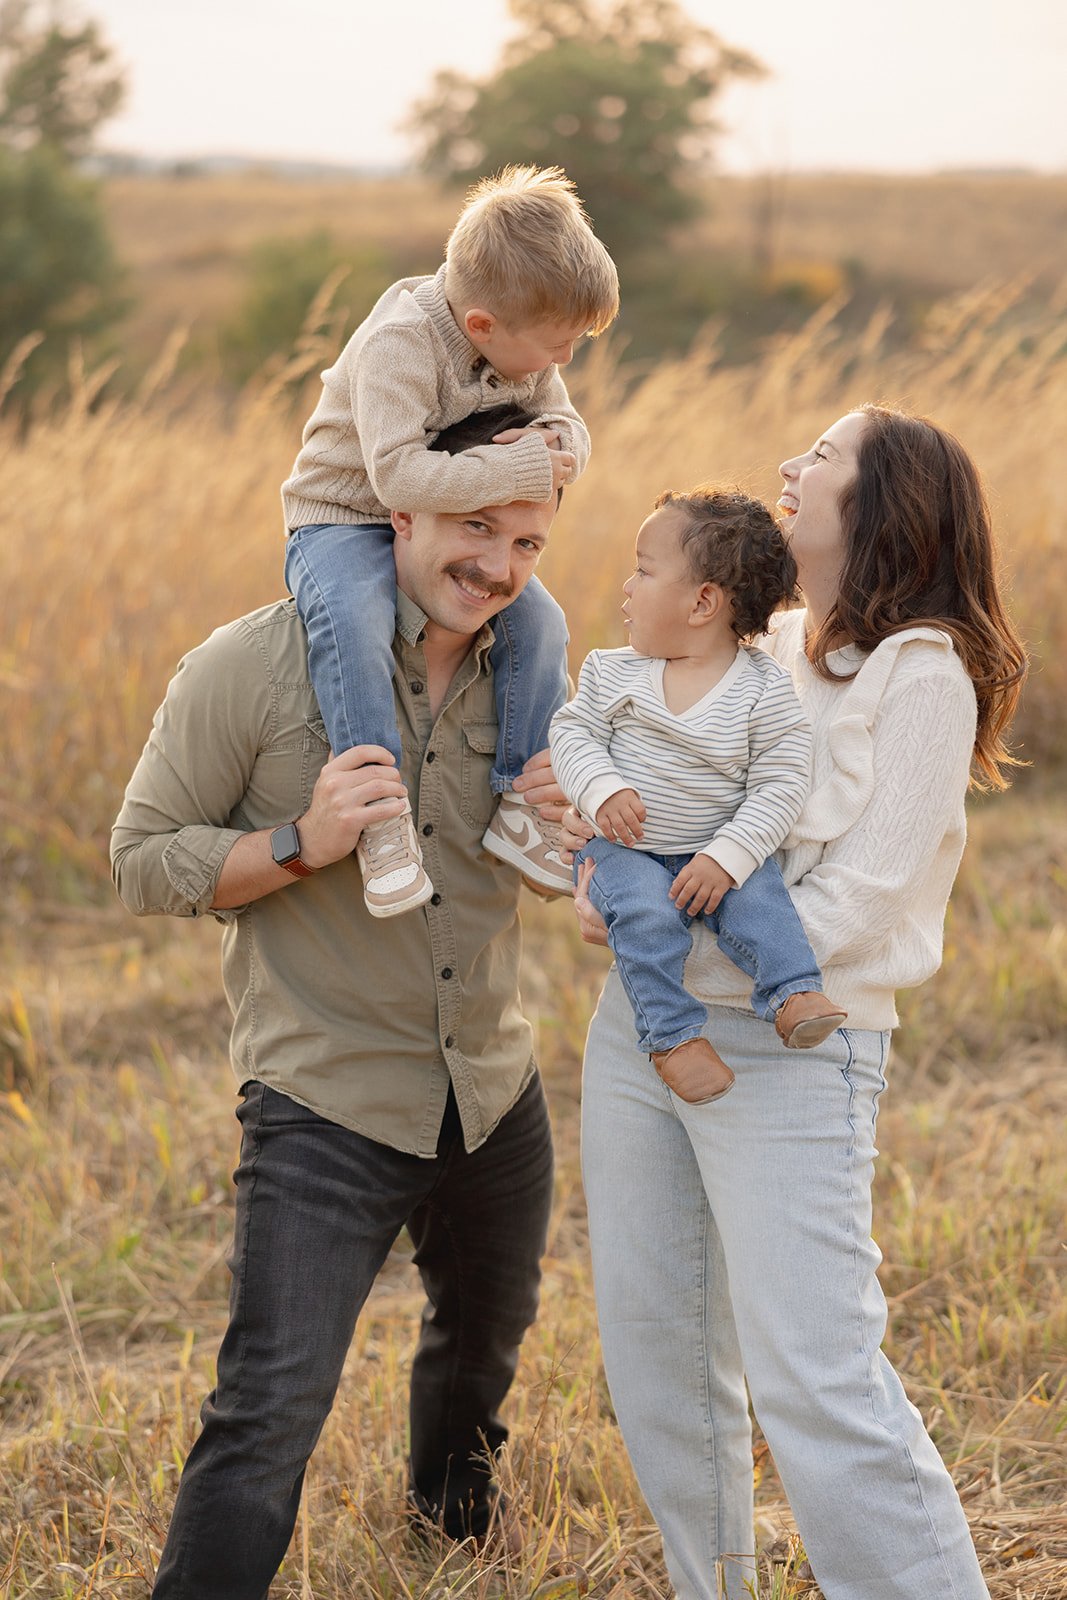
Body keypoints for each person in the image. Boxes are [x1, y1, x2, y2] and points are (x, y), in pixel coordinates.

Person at [111, 407, 580, 1600]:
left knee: (481, 1350)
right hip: (325, 1101)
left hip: (490, 1089)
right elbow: (140, 859)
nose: (500, 567)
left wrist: (581, 832)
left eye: (527, 541)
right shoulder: (250, 667)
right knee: (268, 1408)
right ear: (400, 509)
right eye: (477, 528)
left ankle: (451, 1541)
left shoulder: (534, 673)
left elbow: (557, 865)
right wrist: (302, 840)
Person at [563, 406, 1026, 1600]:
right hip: (642, 1038)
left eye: (822, 456)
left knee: (815, 1377)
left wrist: (668, 945)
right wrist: (596, 872)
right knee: (659, 1364)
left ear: (883, 502)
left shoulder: (921, 674)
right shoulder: (750, 640)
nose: (789, 464)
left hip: (791, 1051)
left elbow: (861, 897)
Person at [281, 164, 618, 916]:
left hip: (441, 524)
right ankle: (379, 817)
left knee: (542, 621)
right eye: (558, 346)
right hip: (343, 516)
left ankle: (523, 798)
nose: (564, 361)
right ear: (482, 327)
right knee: (354, 619)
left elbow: (567, 424)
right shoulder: (400, 344)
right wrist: (520, 467)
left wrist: (561, 447)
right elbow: (397, 476)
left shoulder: (517, 343)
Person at [549, 487, 846, 1106]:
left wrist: (729, 856)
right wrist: (601, 789)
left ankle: (794, 992)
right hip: (624, 850)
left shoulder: (764, 690)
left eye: (643, 570)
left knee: (760, 898)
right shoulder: (612, 671)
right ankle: (674, 1037)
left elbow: (781, 782)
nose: (626, 586)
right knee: (645, 916)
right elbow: (572, 733)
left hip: (712, 850)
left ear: (703, 602)